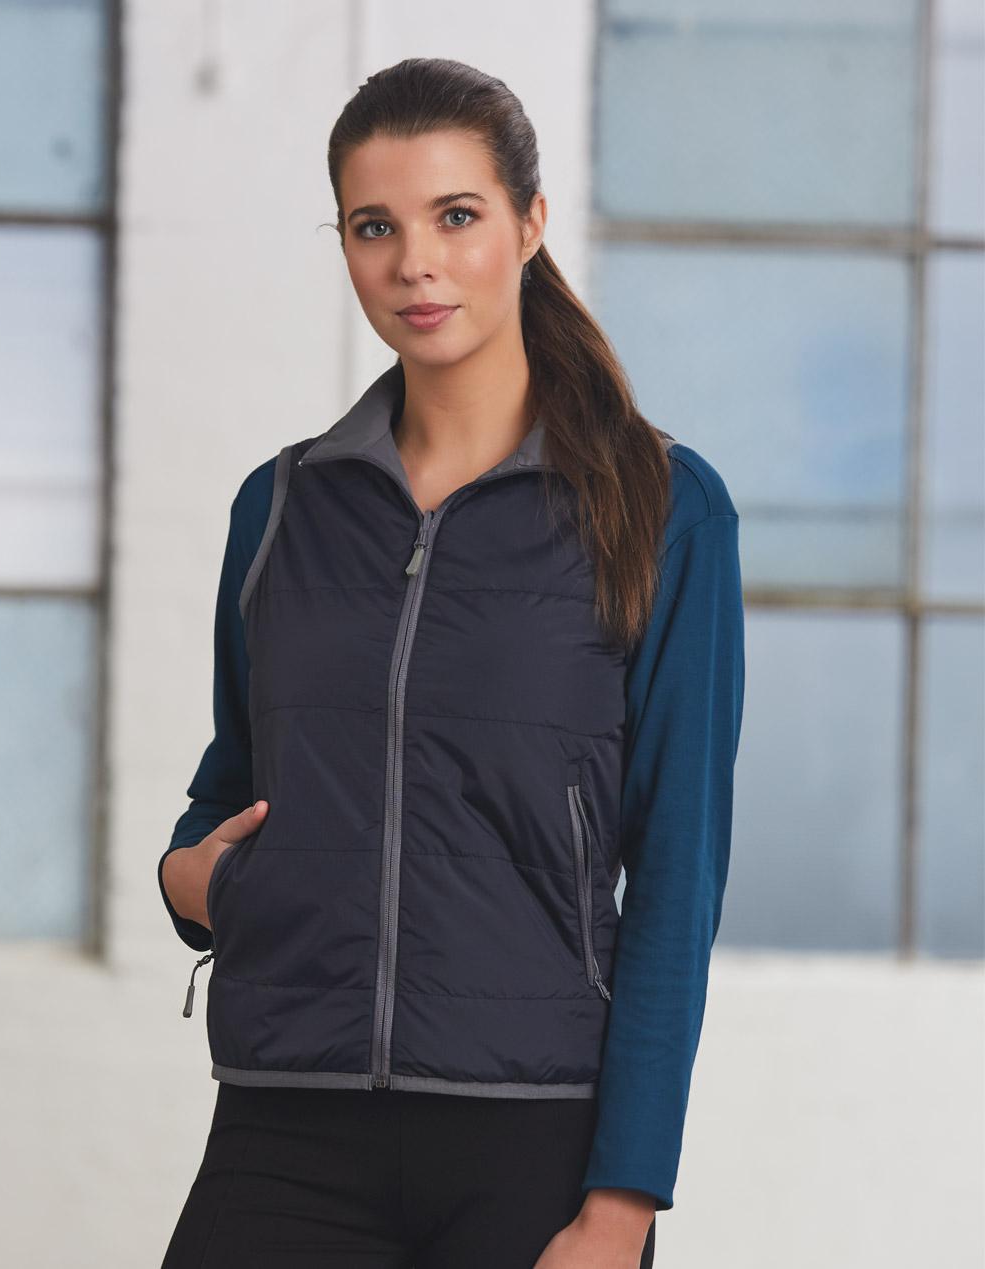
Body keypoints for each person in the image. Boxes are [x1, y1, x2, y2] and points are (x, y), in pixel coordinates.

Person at [157, 57, 744, 1269]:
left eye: (456, 216)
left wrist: (624, 1201)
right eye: (374, 226)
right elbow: (233, 785)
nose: (414, 263)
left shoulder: (662, 507)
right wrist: (189, 879)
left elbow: (676, 875)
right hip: (285, 1117)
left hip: (532, 1138)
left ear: (528, 225)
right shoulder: (281, 507)